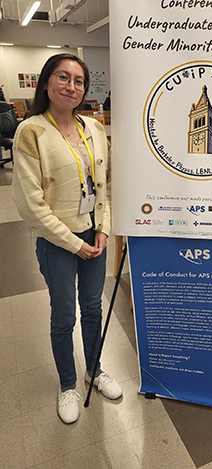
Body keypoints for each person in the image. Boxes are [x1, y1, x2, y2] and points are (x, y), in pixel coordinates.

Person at [12, 53, 122, 424]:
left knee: (92, 308)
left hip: (95, 236)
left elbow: (104, 186)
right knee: (63, 316)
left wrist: (104, 227)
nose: (71, 86)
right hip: (59, 242)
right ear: (46, 83)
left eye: (78, 81)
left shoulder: (93, 127)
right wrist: (75, 243)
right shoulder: (31, 132)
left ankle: (94, 369)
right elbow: (30, 204)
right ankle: (68, 384)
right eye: (63, 77)